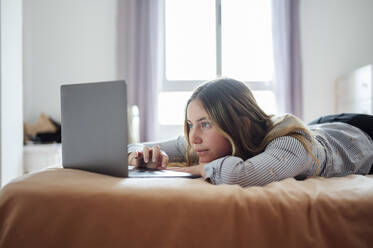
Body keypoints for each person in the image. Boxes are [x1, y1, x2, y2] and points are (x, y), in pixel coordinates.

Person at [128, 77, 373, 187]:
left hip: (362, 133)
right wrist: (139, 157)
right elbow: (131, 147)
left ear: (242, 125)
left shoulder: (293, 146)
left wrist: (173, 169)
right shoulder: (203, 141)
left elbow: (237, 175)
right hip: (320, 125)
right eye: (191, 124)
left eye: (205, 123)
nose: (194, 138)